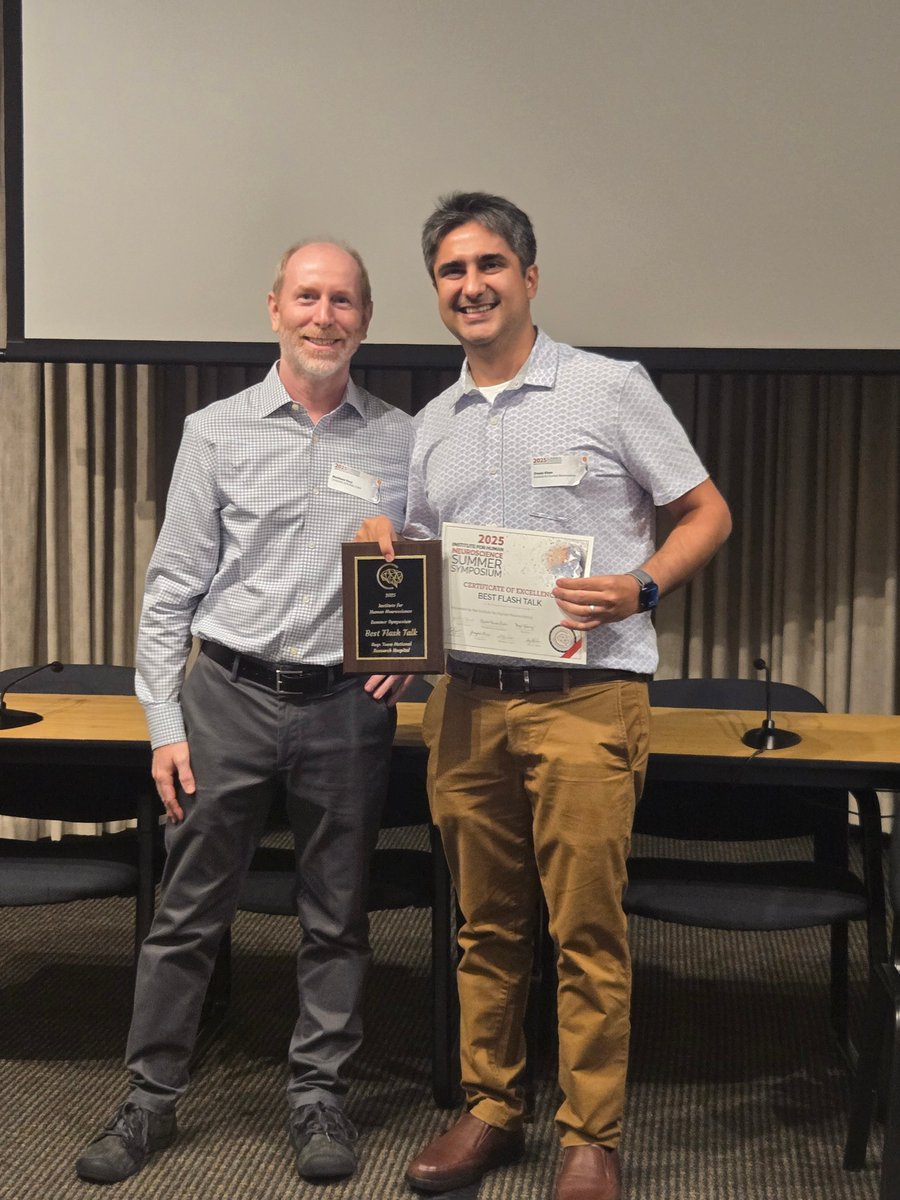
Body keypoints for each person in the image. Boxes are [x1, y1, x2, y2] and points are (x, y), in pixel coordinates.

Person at [357, 192, 732, 1200]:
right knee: (485, 926)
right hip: (467, 705)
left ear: (528, 277)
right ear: (437, 290)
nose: (470, 285)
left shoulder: (609, 389)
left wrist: (642, 585)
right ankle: (490, 1108)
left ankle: (590, 1136)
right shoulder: (432, 425)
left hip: (586, 699)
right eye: (451, 271)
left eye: (489, 265)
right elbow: (427, 558)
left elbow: (707, 512)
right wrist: (385, 557)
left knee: (586, 930)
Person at [75, 240, 413, 1186]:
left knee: (337, 915)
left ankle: (319, 1097)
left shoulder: (404, 438)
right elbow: (169, 592)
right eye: (307, 297)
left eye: (342, 300)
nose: (323, 316)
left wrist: (411, 652)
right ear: (274, 309)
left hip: (345, 708)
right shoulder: (215, 431)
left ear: (365, 320)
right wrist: (164, 727)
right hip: (225, 697)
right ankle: (149, 1098)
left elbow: (426, 569)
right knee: (188, 913)